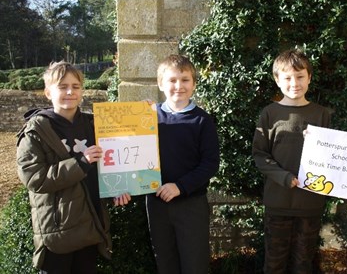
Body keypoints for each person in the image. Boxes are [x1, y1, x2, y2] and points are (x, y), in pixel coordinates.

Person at [16, 61, 131, 274]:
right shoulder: (35, 132)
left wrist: (116, 189)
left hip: (90, 227)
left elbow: (107, 166)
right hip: (57, 231)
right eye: (62, 86)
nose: (70, 91)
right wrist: (80, 162)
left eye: (76, 86)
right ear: (48, 92)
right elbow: (35, 179)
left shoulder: (94, 125)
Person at [252, 48, 332, 274]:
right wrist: (285, 178)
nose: (294, 83)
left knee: (303, 264)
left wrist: (318, 144)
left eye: (300, 76)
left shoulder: (321, 114)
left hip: (310, 204)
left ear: (309, 78)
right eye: (287, 77)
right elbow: (259, 154)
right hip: (278, 203)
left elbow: (332, 157)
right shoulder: (269, 113)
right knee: (274, 263)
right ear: (277, 80)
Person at [146, 54, 220, 274]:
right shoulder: (149, 117)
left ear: (194, 84)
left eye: (185, 80)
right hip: (157, 203)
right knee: (165, 262)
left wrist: (180, 186)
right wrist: (136, 117)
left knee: (194, 264)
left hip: (191, 204)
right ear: (160, 84)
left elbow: (210, 163)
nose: (179, 86)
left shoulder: (202, 120)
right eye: (172, 80)